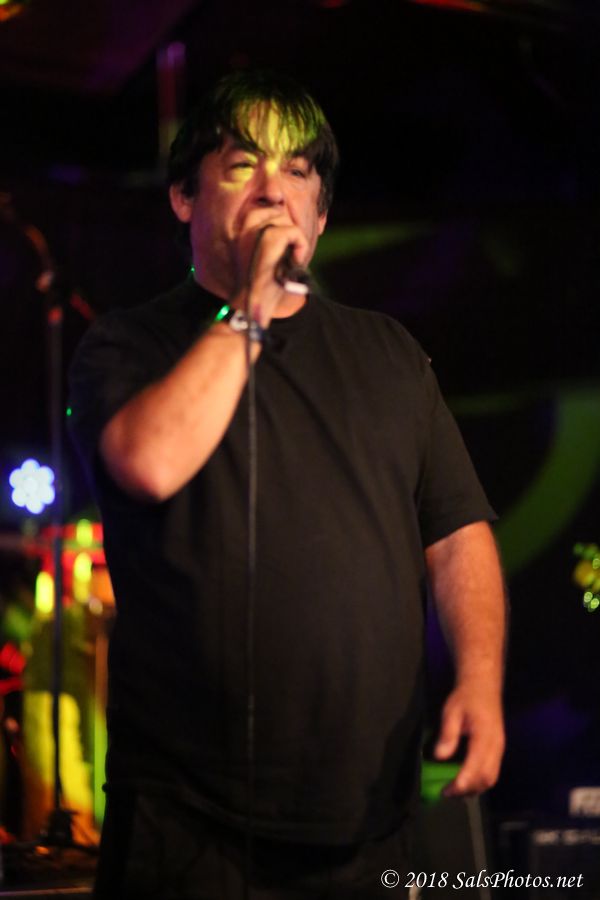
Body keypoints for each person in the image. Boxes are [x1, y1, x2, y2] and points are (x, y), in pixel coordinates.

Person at [68, 69, 506, 899]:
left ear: (321, 214)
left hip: (370, 825)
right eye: (243, 165)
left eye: (298, 171)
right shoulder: (128, 345)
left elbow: (457, 533)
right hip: (191, 826)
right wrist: (250, 310)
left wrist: (480, 682)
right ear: (184, 198)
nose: (273, 189)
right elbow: (149, 462)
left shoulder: (388, 353)